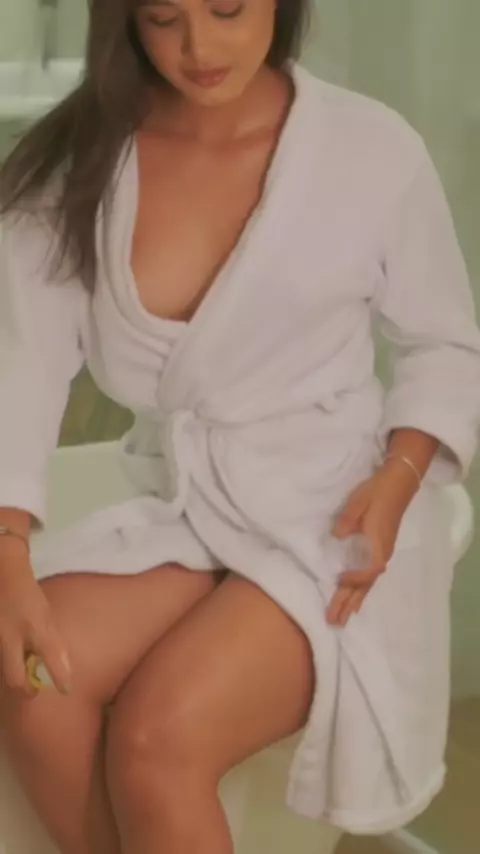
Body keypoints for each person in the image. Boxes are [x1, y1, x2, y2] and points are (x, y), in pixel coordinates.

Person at [0, 1, 480, 852]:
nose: (199, 47)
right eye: (164, 17)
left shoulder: (371, 152)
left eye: (227, 8)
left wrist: (400, 476)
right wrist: (6, 552)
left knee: (157, 738)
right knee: (32, 681)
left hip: (336, 514)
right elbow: (19, 368)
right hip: (195, 507)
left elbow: (447, 345)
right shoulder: (76, 169)